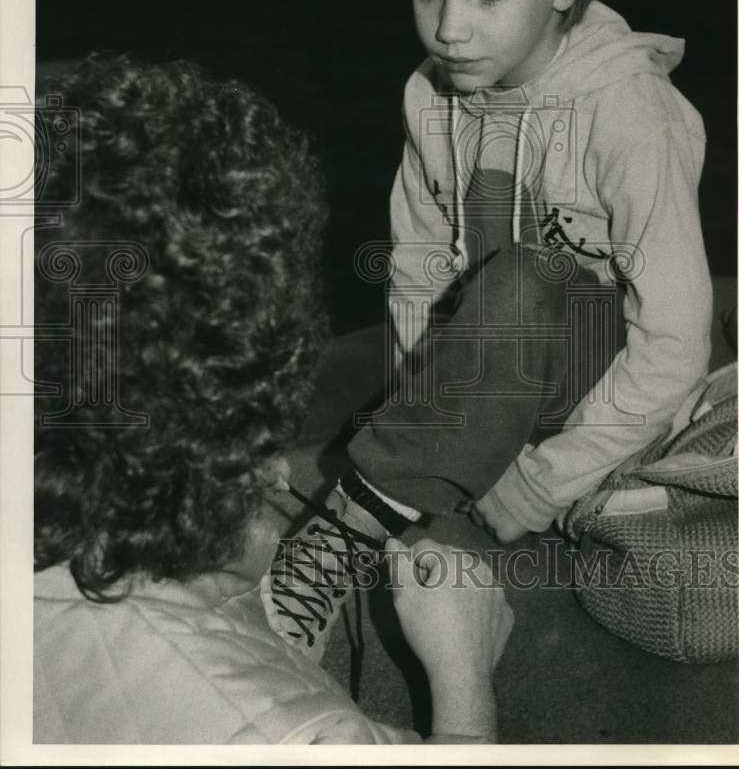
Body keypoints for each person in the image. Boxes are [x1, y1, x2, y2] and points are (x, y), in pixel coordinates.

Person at [262, 0, 713, 655]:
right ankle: (398, 486)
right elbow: (418, 275)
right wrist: (421, 417)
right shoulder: (429, 95)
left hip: (599, 392)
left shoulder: (626, 111)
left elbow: (675, 341)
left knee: (520, 279)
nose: (449, 27)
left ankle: (350, 524)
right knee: (304, 426)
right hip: (485, 376)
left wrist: (540, 481)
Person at [33, 55, 513, 745]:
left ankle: (292, 593)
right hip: (226, 688)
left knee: (397, 364)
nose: (276, 475)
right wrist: (463, 671)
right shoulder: (281, 732)